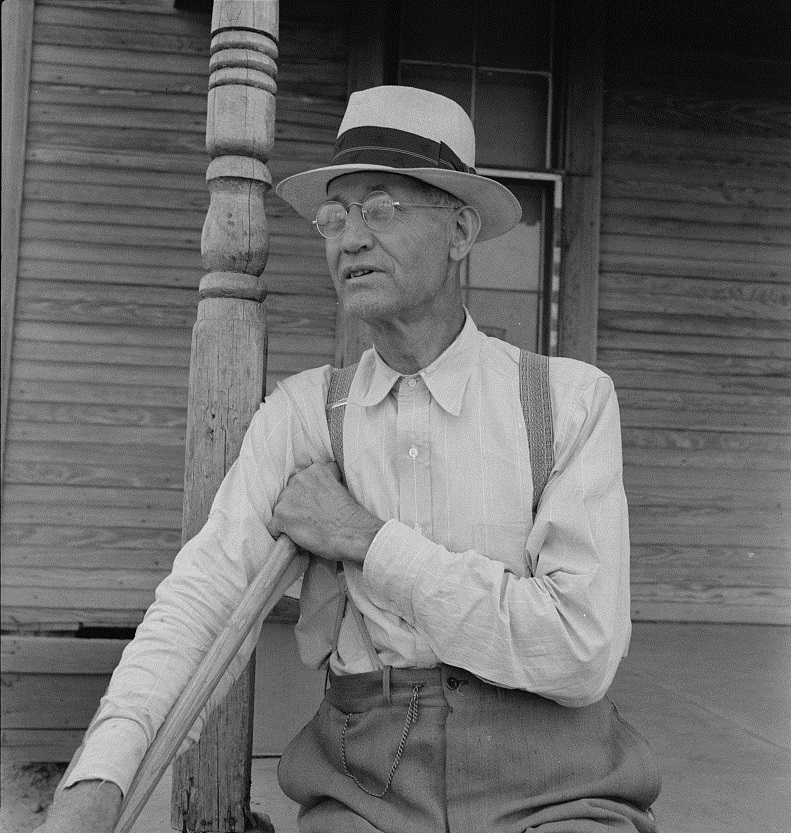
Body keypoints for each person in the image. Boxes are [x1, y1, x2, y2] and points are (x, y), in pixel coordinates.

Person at [37, 86, 661, 833]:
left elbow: (580, 650)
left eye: (382, 208)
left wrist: (368, 539)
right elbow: (203, 598)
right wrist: (99, 777)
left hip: (557, 784)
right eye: (336, 217)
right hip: (369, 789)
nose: (349, 240)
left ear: (460, 229)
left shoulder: (567, 401)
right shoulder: (306, 414)